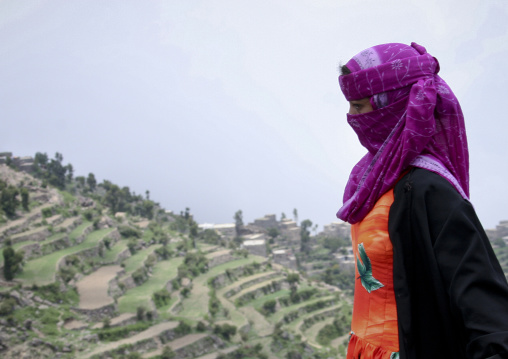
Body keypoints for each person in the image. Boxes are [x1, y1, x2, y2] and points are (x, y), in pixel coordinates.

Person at [337, 42, 508, 359]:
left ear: (394, 104)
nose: (350, 117)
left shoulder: (429, 190)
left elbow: (488, 313)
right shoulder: (375, 180)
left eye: (359, 106)